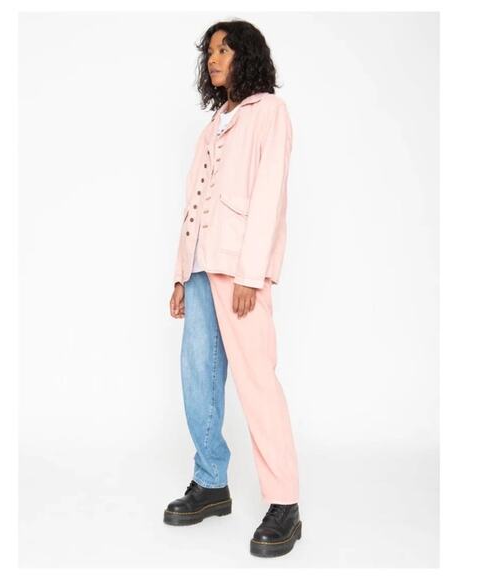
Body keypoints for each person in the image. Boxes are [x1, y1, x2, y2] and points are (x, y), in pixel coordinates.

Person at [165, 20, 302, 558]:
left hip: (240, 271)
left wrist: (251, 274)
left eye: (225, 50)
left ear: (247, 57)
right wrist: (181, 273)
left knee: (256, 380)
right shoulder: (213, 125)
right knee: (198, 378)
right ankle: (211, 482)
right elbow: (193, 203)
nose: (214, 58)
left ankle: (285, 502)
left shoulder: (269, 113)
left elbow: (269, 195)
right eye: (210, 51)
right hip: (201, 269)